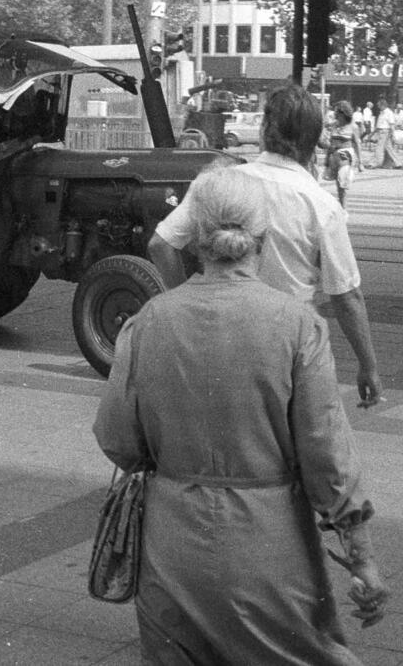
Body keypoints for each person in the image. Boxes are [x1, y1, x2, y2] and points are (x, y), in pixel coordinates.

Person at [95, 167, 388, 663]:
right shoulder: (298, 326)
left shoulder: (148, 322)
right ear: (263, 238)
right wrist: (362, 559)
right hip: (269, 545)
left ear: (196, 240)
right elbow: (327, 456)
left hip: (170, 547)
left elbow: (117, 438)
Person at [150, 83, 383, 407]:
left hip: (217, 338)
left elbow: (160, 244)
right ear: (312, 140)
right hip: (287, 348)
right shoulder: (321, 205)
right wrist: (368, 366)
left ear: (264, 129)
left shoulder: (218, 182)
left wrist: (183, 304)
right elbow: (346, 297)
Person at [321, 100, 362, 208]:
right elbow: (328, 139)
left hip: (345, 155)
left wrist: (360, 162)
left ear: (343, 113)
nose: (335, 114)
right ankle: (342, 205)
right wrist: (326, 160)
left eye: (337, 112)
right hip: (334, 155)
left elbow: (357, 144)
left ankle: (343, 207)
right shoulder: (334, 125)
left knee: (342, 182)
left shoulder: (353, 126)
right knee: (338, 185)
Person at [371, 99, 402, 169]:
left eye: (379, 105)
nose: (378, 107)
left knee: (379, 147)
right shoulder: (382, 113)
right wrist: (372, 134)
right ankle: (398, 163)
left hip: (384, 131)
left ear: (383, 105)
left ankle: (373, 163)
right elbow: (378, 125)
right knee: (389, 148)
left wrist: (393, 134)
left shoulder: (388, 113)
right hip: (381, 131)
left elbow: (391, 124)